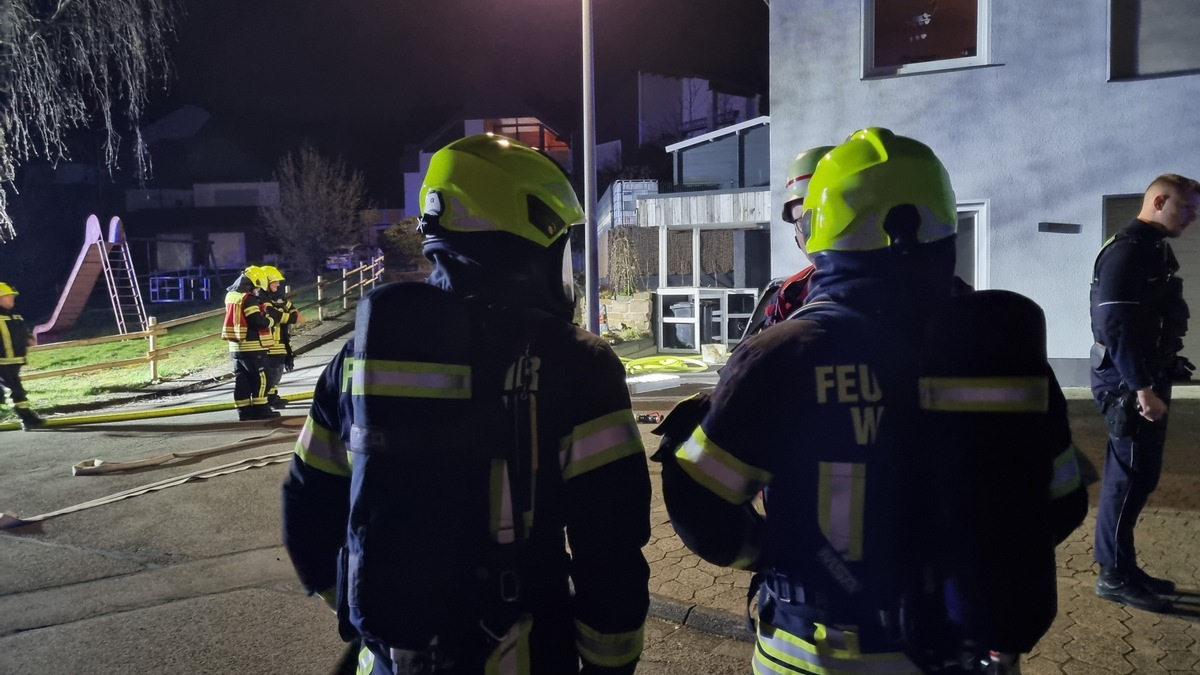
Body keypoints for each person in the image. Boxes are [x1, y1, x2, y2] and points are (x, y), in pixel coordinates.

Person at [654, 128, 1085, 674]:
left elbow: (702, 507)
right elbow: (1063, 499)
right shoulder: (997, 345)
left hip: (818, 654)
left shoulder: (786, 352)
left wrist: (776, 552)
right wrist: (966, 571)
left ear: (820, 226)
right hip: (962, 652)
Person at [281, 134, 651, 675]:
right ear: (534, 234)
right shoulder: (577, 362)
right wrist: (607, 665)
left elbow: (306, 504)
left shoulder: (361, 358)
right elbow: (610, 547)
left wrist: (381, 615)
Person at [1089, 172, 1199, 613]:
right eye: (1185, 208)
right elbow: (1116, 327)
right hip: (1128, 382)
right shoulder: (1127, 252)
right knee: (1128, 477)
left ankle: (1125, 567)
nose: (1192, 217)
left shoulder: (1154, 249)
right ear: (1157, 202)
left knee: (1141, 475)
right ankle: (1112, 576)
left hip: (1146, 375)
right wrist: (1142, 388)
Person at [221, 266, 280, 421]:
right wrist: (271, 320)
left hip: (236, 346)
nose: (258, 290)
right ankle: (262, 409)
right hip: (252, 346)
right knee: (262, 378)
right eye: (257, 287)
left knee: (242, 380)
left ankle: (244, 411)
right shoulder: (249, 298)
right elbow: (256, 320)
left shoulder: (232, 296)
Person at [0, 282, 45, 431]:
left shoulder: (16, 316)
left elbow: (22, 332)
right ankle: (27, 419)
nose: (12, 299)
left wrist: (28, 339)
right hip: (2, 362)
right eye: (9, 296)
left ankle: (28, 417)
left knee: (12, 389)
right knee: (15, 391)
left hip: (15, 360)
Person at [260, 265, 300, 409]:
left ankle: (273, 396)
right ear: (266, 281)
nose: (278, 284)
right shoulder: (260, 297)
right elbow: (274, 314)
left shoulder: (278, 297)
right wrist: (285, 314)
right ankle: (269, 399)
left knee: (278, 371)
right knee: (272, 372)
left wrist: (285, 315)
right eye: (275, 282)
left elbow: (294, 313)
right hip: (268, 343)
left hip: (280, 342)